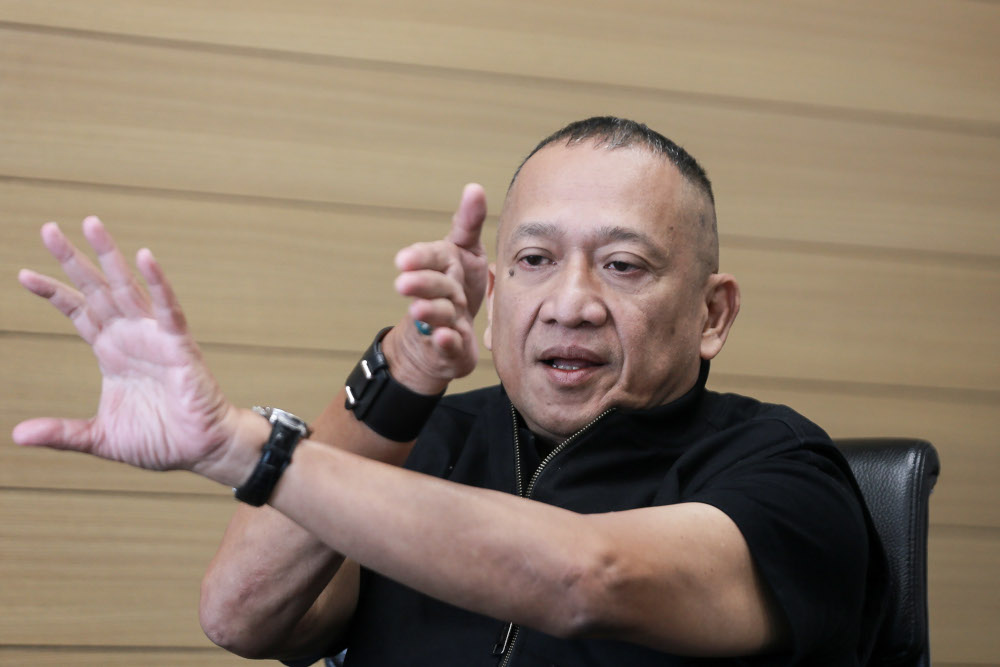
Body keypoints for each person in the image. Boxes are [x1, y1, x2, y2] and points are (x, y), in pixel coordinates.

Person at [13, 117, 886, 666]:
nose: (571, 302)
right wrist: (407, 371)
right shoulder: (432, 441)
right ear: (495, 292)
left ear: (711, 312)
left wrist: (240, 447)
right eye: (534, 261)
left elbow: (590, 577)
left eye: (623, 265)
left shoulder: (786, 470)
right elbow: (241, 614)